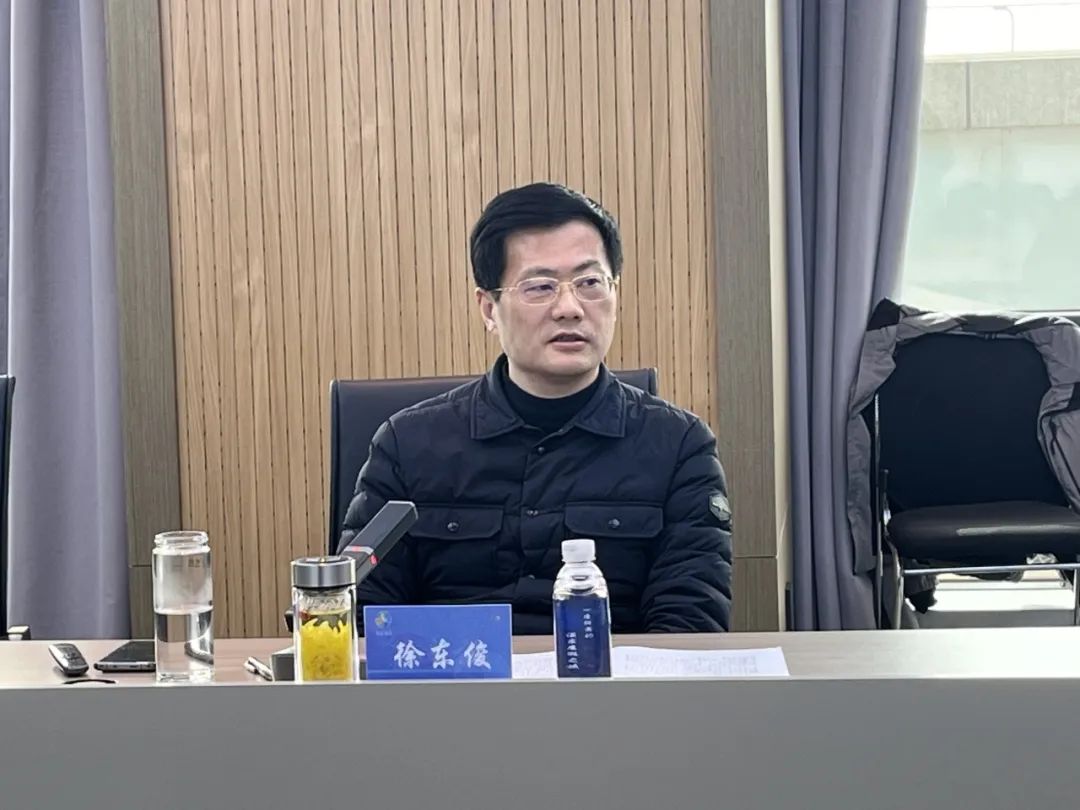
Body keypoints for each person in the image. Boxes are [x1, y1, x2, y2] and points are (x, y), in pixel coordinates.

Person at [339, 182, 732, 633]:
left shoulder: (679, 446)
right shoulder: (408, 446)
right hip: (455, 677)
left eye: (589, 283)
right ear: (489, 309)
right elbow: (360, 620)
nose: (569, 308)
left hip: (612, 678)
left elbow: (690, 627)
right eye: (540, 286)